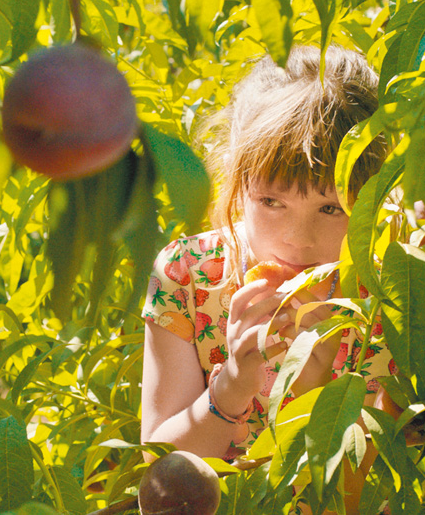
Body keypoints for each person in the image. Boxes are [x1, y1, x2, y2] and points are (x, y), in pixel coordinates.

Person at [140, 44, 393, 513]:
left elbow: (366, 497)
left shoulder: (386, 299)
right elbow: (158, 478)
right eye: (272, 202)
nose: (298, 240)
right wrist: (233, 384)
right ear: (239, 186)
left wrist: (314, 386)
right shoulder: (190, 277)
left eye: (331, 208)